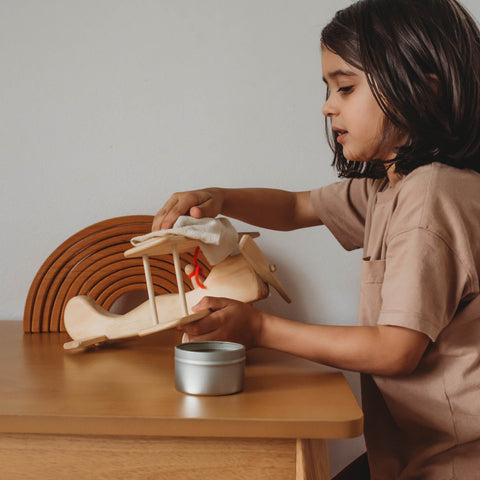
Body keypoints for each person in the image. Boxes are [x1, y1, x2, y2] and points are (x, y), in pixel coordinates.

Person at [152, 0, 480, 478]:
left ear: (422, 89)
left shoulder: (430, 198)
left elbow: (395, 350)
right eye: (329, 89)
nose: (328, 106)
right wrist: (219, 196)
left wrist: (260, 330)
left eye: (346, 87)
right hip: (419, 451)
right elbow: (295, 207)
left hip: (455, 462)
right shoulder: (392, 188)